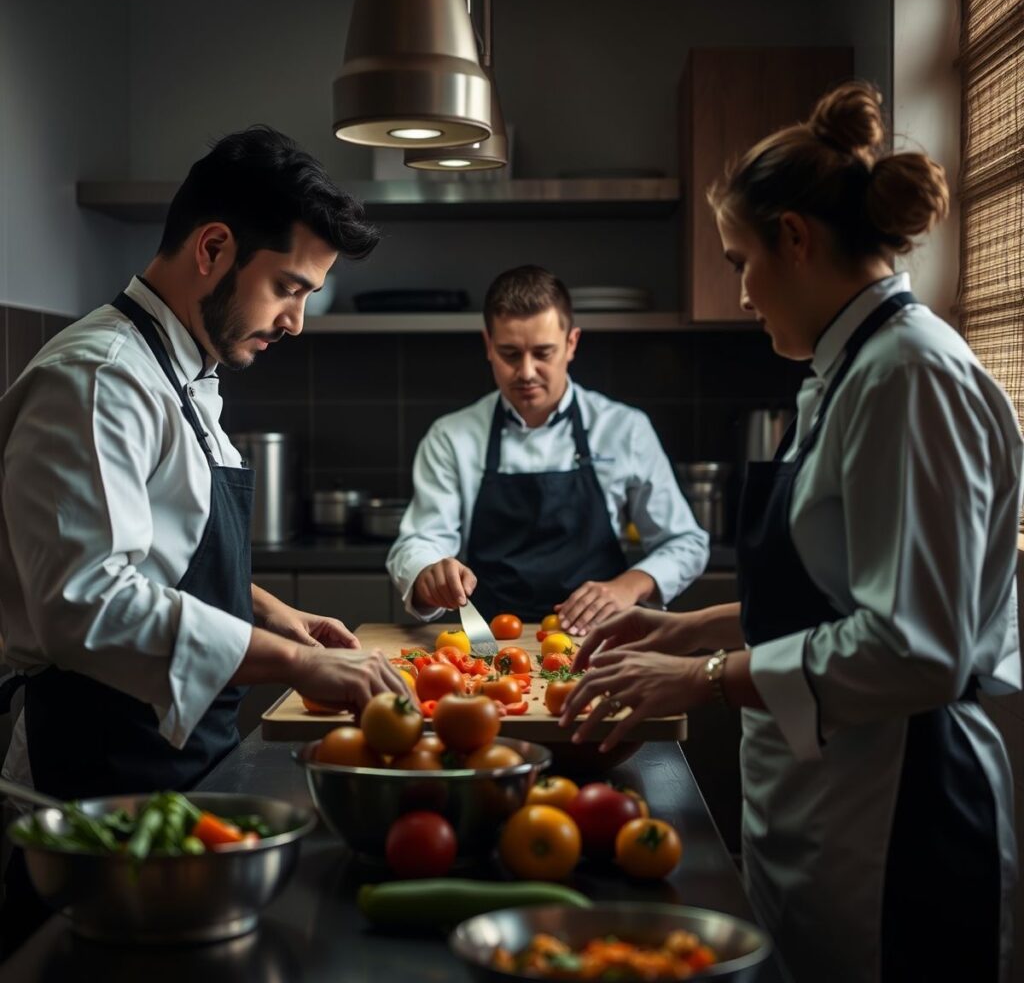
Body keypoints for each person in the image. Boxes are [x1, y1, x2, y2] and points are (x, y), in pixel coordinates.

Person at [562, 83, 1021, 983]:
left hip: (897, 820)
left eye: (742, 259)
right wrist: (688, 629)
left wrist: (700, 677)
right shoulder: (852, 371)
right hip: (826, 808)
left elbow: (913, 647)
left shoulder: (910, 378)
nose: (739, 292)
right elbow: (840, 591)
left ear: (796, 239)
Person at [0, 126, 412, 808]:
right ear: (214, 248)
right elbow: (85, 604)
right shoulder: (99, 379)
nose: (296, 322)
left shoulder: (184, 374)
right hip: (101, 776)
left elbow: (162, 555)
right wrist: (297, 663)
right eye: (288, 286)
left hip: (183, 763)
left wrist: (276, 616)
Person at [386, 265, 709, 632]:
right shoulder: (451, 436)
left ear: (571, 344)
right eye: (510, 353)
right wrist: (429, 572)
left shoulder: (625, 428)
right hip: (490, 642)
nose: (526, 372)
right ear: (488, 346)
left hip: (602, 641)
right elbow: (418, 541)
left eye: (543, 353)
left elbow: (686, 542)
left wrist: (628, 587)